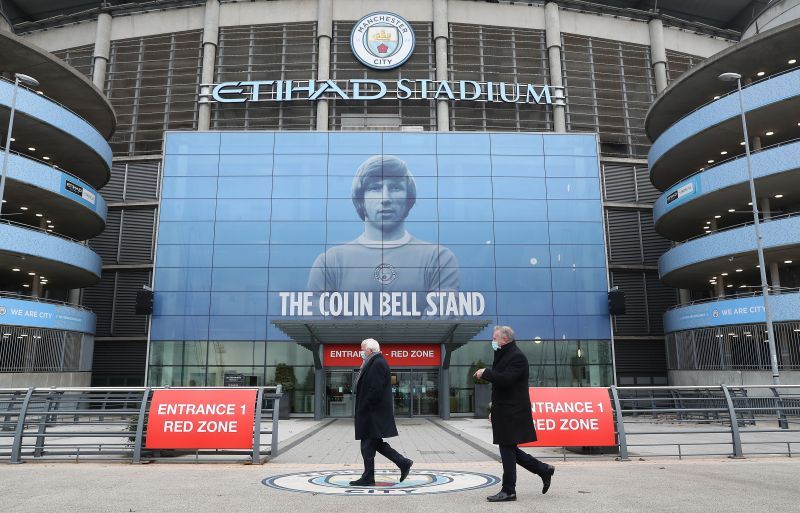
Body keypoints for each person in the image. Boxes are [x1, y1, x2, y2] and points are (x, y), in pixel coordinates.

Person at [307, 154, 459, 296]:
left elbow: (441, 320)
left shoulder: (438, 259)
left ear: (409, 198)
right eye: (375, 188)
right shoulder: (330, 262)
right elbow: (317, 320)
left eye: (395, 188)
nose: (385, 198)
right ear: (361, 199)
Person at [474, 326, 555, 502]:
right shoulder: (504, 354)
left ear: (505, 339)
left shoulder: (517, 357)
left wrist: (485, 373)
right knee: (509, 449)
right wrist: (494, 410)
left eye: (495, 338)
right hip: (504, 410)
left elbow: (506, 380)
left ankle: (509, 490)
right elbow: (501, 387)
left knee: (507, 449)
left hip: (513, 411)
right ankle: (543, 469)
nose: (492, 341)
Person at [350, 338, 413, 486]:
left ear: (370, 350)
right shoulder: (372, 362)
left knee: (367, 445)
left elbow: (375, 390)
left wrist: (364, 406)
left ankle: (368, 477)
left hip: (373, 414)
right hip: (372, 413)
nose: (361, 352)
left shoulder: (377, 363)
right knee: (375, 444)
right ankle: (403, 463)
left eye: (362, 349)